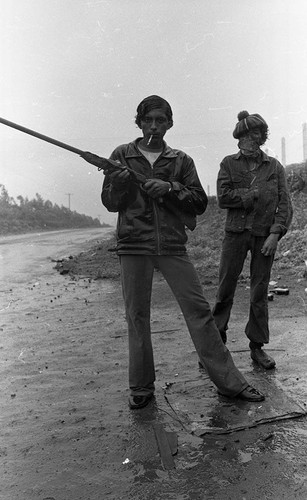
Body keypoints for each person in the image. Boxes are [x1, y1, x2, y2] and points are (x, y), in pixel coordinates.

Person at [100, 96, 264, 409]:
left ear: (169, 123)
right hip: (134, 245)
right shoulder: (121, 155)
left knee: (199, 312)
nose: (154, 126)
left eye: (160, 120)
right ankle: (141, 389)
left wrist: (171, 188)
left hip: (173, 245)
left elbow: (200, 203)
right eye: (148, 120)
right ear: (139, 123)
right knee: (137, 317)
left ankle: (231, 384)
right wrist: (119, 184)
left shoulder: (180, 161)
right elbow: (110, 203)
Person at [212, 110, 293, 369]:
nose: (250, 138)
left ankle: (257, 348)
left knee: (259, 292)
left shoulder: (274, 167)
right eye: (245, 134)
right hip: (235, 235)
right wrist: (251, 194)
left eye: (256, 134)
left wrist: (275, 234)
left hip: (263, 238)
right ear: (238, 138)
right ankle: (216, 346)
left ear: (261, 137)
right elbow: (223, 198)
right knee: (225, 289)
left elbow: (285, 204)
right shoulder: (228, 164)